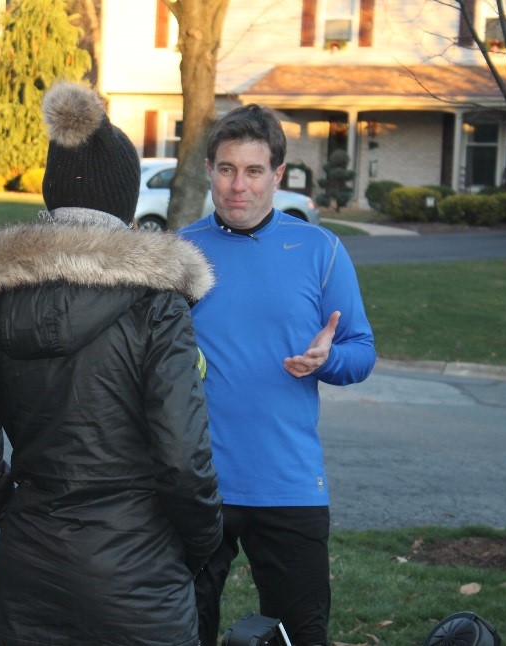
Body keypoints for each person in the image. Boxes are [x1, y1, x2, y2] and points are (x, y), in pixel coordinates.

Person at [0, 80, 223, 646]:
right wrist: (203, 539)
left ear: (51, 192)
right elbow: (183, 460)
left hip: (33, 570)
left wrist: (21, 516)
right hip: (139, 576)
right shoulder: (157, 305)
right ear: (124, 199)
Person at [178, 104, 376, 646]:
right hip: (196, 484)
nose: (237, 185)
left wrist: (325, 361)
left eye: (253, 171)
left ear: (277, 176)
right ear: (209, 171)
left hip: (289, 485)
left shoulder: (320, 251)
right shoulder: (179, 253)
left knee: (300, 636)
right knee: (179, 634)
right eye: (225, 169)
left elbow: (361, 351)